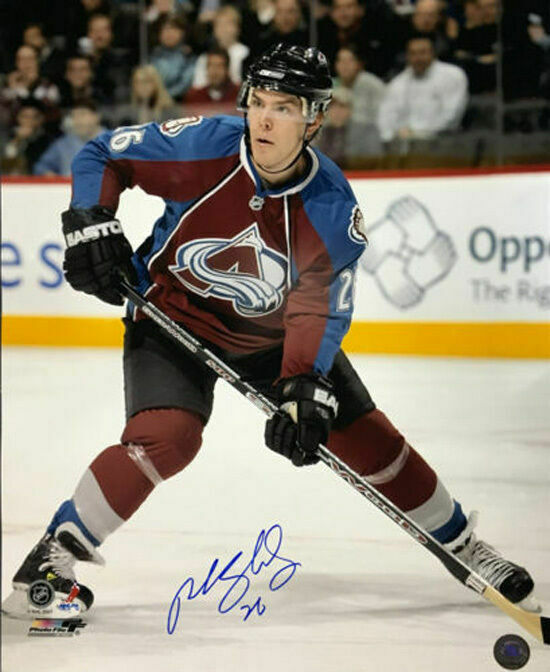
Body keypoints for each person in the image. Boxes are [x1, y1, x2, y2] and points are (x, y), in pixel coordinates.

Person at [2, 43, 538, 620]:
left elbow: (317, 309)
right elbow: (103, 155)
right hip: (172, 318)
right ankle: (49, 563)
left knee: (369, 438)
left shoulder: (330, 207)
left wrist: (303, 386)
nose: (263, 118)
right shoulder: (204, 145)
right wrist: (91, 220)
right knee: (165, 438)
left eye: (283, 107)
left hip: (273, 338)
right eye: (257, 101)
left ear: (314, 119)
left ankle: (463, 546)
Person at [377, 35, 468, 144]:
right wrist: (390, 135)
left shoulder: (453, 75)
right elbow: (385, 116)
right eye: (413, 53)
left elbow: (452, 117)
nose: (418, 58)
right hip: (402, 142)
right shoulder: (398, 82)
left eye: (423, 52)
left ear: (433, 53)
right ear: (407, 56)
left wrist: (417, 133)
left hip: (443, 141)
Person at [33, 101, 104, 176]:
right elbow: (41, 167)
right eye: (73, 116)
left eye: (82, 114)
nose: (78, 121)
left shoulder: (111, 142)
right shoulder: (63, 144)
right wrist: (49, 175)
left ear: (97, 116)